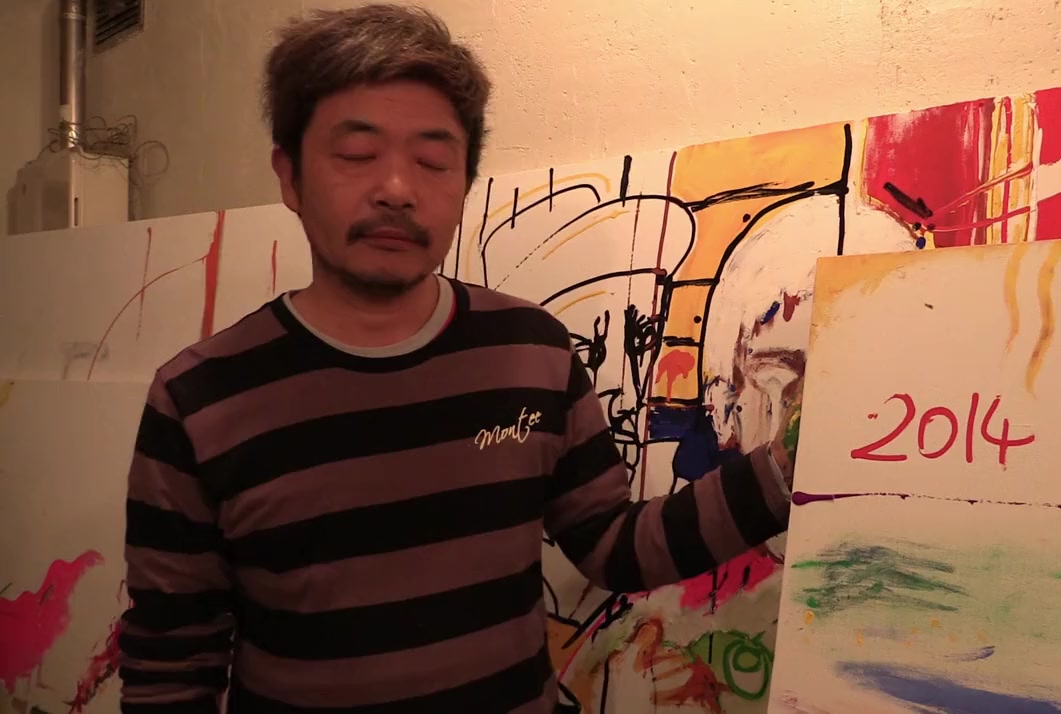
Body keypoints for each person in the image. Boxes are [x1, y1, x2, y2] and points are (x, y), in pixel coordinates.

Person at [117, 4, 801, 713]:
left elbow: (615, 546)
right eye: (356, 154)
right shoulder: (198, 400)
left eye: (433, 161)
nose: (397, 189)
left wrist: (786, 469)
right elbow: (172, 663)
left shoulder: (532, 353)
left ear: (464, 181)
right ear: (289, 175)